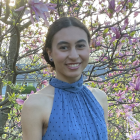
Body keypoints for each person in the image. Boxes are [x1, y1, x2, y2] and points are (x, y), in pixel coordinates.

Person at [21, 17, 108, 140]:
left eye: (80, 46)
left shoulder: (100, 98)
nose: (73, 55)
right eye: (64, 47)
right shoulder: (35, 105)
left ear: (89, 49)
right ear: (50, 53)